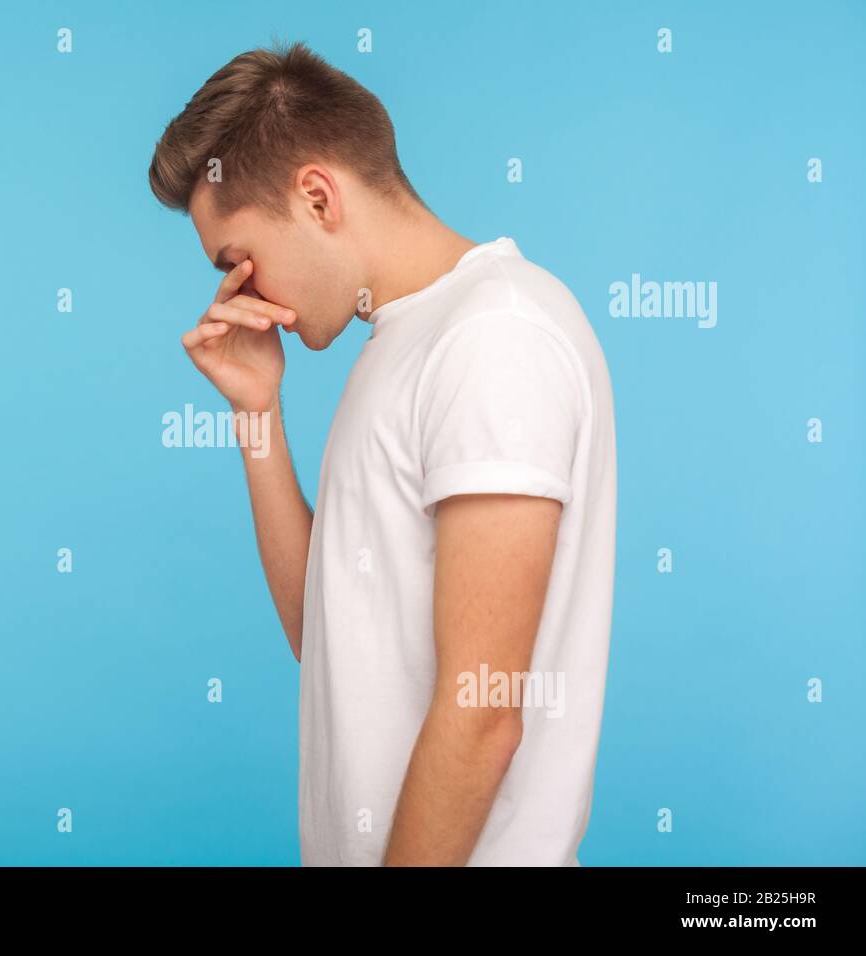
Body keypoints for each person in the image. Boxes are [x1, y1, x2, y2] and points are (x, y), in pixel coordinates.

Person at [148, 42, 617, 866]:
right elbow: (324, 632)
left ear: (319, 196)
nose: (241, 291)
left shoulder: (493, 334)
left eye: (238, 260)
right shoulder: (405, 341)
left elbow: (483, 713)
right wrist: (259, 414)